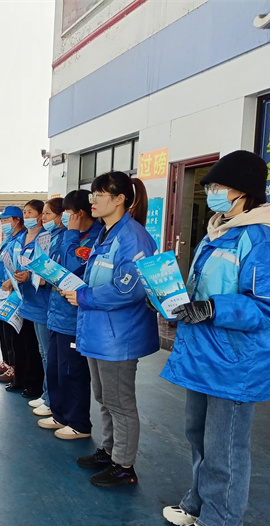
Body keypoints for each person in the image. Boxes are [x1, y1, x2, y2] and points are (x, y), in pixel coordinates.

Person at [159, 151, 270, 526]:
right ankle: (199, 503)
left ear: (242, 191)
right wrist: (179, 300)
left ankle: (224, 523)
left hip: (236, 360)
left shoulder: (263, 237)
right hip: (205, 352)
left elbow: (269, 306)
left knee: (226, 444)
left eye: (217, 186)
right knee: (198, 434)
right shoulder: (220, 230)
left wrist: (211, 308)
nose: (211, 192)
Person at [62, 171, 158, 487]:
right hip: (99, 332)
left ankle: (124, 465)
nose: (93, 200)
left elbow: (130, 288)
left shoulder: (133, 237)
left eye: (99, 194)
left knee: (120, 401)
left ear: (120, 199)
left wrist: (85, 295)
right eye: (93, 194)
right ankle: (109, 450)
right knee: (104, 397)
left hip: (119, 336)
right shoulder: (107, 232)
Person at [37, 190, 103, 439]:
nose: (63, 218)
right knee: (55, 368)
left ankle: (78, 423)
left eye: (67, 212)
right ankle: (60, 414)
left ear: (79, 214)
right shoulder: (68, 236)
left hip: (73, 318)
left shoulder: (90, 239)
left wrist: (72, 235)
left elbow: (72, 269)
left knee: (72, 372)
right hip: (57, 314)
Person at [15, 198, 66, 417]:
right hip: (36, 301)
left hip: (49, 303)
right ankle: (47, 395)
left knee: (49, 355)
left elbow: (58, 272)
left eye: (46, 214)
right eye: (42, 214)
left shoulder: (60, 239)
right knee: (43, 352)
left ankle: (51, 398)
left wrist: (36, 277)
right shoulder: (49, 237)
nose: (42, 218)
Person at [5, 200, 47, 399]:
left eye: (31, 212)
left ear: (40, 216)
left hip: (37, 300)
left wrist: (29, 276)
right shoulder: (20, 239)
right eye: (25, 212)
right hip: (20, 298)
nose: (27, 216)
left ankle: (35, 385)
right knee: (18, 341)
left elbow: (45, 268)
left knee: (34, 346)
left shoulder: (44, 238)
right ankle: (19, 378)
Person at [0, 207, 26, 383]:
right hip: (0, 288)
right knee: (1, 328)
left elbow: (19, 265)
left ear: (16, 220)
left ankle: (14, 366)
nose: (2, 224)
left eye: (5, 220)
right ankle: (7, 361)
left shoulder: (22, 239)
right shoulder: (9, 239)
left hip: (12, 290)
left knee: (11, 331)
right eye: (1, 221)